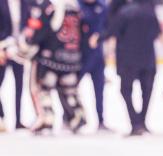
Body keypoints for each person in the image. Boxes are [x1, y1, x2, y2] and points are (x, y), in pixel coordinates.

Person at [12, 0, 86, 134]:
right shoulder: (75, 7)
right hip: (71, 56)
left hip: (50, 58)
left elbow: (40, 31)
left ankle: (47, 119)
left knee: (43, 89)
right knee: (69, 90)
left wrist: (27, 46)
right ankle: (76, 117)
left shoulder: (48, 7)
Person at [108, 0, 160, 136]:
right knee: (146, 91)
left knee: (126, 90)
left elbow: (113, 32)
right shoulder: (150, 12)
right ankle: (141, 121)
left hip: (127, 59)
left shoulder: (124, 13)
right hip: (147, 59)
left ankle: (135, 122)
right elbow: (156, 33)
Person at [78, 0, 109, 132]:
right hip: (80, 57)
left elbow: (108, 26)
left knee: (99, 89)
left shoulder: (102, 6)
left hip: (97, 57)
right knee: (71, 88)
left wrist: (100, 36)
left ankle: (101, 120)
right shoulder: (76, 6)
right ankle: (70, 117)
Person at [0, 0, 28, 130]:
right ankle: (1, 116)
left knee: (20, 86)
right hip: (3, 48)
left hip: (19, 50)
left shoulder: (25, 3)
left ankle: (18, 120)